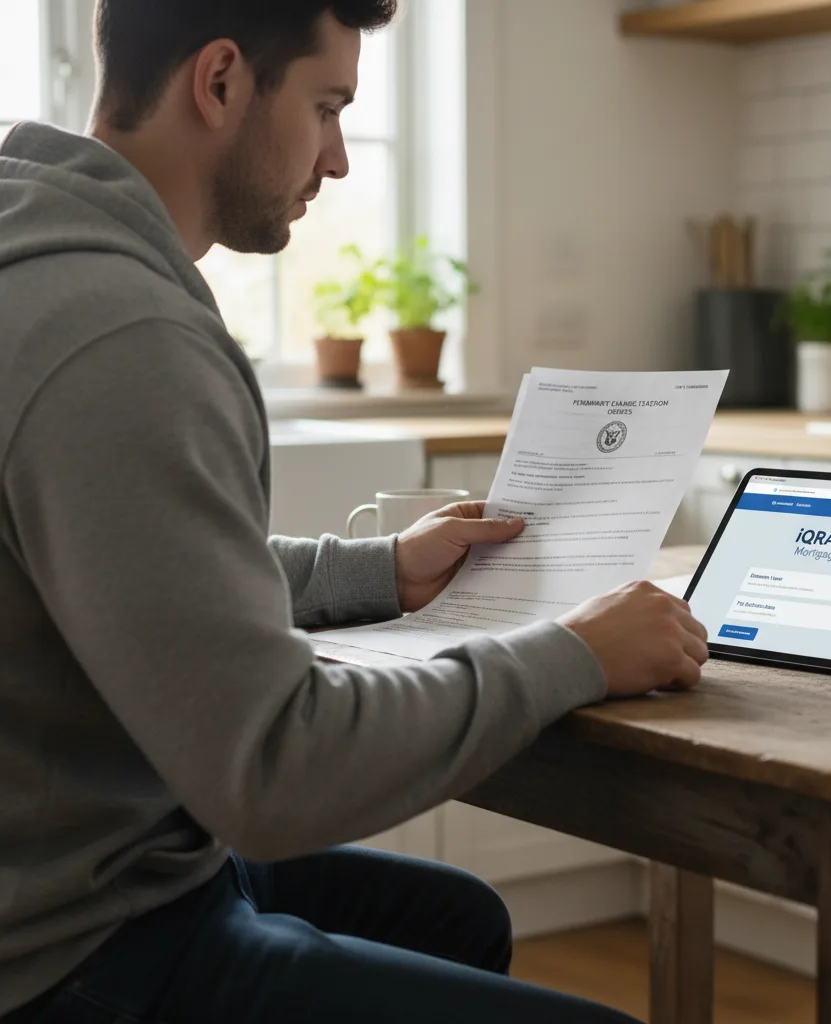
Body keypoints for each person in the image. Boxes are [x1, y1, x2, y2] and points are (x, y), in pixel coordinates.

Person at [0, 2, 711, 1021]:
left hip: (83, 868)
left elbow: (132, 570)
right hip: (70, 952)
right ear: (220, 82)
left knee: (459, 917)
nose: (336, 159)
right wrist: (576, 654)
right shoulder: (120, 335)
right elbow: (277, 769)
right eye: (326, 106)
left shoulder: (43, 250)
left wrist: (378, 569)